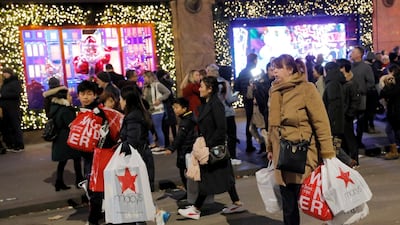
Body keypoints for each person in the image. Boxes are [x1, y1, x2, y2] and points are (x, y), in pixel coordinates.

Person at [267, 54, 336, 225]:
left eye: (278, 67)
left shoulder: (307, 88)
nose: (273, 70)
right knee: (288, 206)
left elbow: (321, 122)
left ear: (290, 70)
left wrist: (328, 153)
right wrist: (269, 148)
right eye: (272, 67)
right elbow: (272, 125)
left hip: (302, 155)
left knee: (315, 200)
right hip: (281, 156)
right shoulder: (274, 90)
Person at [178, 76, 245, 220]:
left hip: (213, 149)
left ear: (210, 89)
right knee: (224, 176)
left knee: (207, 178)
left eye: (202, 86)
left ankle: (196, 208)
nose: (199, 89)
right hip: (212, 148)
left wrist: (208, 145)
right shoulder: (207, 103)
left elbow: (221, 128)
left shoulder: (216, 104)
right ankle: (236, 202)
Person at [74, 80, 118, 225]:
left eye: (89, 94)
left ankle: (94, 220)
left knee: (96, 189)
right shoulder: (81, 112)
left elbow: (105, 134)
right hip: (87, 156)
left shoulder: (99, 112)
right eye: (82, 94)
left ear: (94, 95)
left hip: (99, 156)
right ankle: (100, 216)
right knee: (94, 189)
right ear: (78, 95)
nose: (85, 97)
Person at [43, 84, 83, 191]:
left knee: (63, 162)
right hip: (67, 139)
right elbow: (71, 124)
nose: (71, 97)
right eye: (69, 95)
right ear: (64, 97)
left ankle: (59, 182)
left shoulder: (55, 108)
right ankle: (79, 180)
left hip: (60, 139)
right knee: (76, 159)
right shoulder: (65, 110)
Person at [119, 85, 156, 192]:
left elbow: (132, 141)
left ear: (126, 101)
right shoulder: (138, 113)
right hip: (142, 156)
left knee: (140, 195)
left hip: (138, 159)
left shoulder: (133, 117)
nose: (119, 102)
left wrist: (117, 148)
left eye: (121, 99)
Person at [206, 64, 241, 165]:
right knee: (231, 135)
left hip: (214, 114)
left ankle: (218, 156)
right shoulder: (224, 83)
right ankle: (232, 156)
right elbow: (229, 99)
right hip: (227, 113)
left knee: (219, 136)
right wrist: (237, 95)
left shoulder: (207, 84)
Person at [164, 97, 197, 190]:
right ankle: (189, 192)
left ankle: (190, 193)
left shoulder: (185, 122)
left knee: (185, 173)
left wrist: (171, 149)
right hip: (188, 148)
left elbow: (180, 137)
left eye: (177, 108)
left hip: (186, 149)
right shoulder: (189, 118)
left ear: (184, 108)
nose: (175, 110)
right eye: (174, 108)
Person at [350, 46, 375, 148]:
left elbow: (371, 82)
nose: (351, 53)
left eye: (353, 52)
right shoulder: (349, 66)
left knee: (360, 121)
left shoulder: (366, 67)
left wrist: (362, 90)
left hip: (361, 98)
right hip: (350, 97)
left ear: (359, 54)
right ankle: (351, 140)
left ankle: (359, 140)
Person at [235, 53, 258, 152]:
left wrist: (243, 93)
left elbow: (236, 86)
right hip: (255, 99)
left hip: (246, 99)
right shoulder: (255, 71)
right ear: (255, 60)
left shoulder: (242, 72)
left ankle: (249, 143)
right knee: (259, 120)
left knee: (249, 120)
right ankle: (262, 144)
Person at [143, 71, 171, 150]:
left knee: (157, 128)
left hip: (157, 110)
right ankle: (152, 143)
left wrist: (160, 99)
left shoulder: (157, 85)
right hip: (148, 110)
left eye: (145, 77)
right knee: (147, 127)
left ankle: (162, 145)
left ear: (149, 77)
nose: (144, 79)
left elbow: (167, 92)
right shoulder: (145, 87)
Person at [0, 68, 24, 152]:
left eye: (6, 73)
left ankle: (19, 145)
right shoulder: (5, 83)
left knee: (15, 126)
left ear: (10, 73)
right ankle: (11, 144)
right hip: (5, 108)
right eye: (4, 73)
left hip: (13, 107)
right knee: (7, 127)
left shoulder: (15, 82)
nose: (4, 75)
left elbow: (16, 94)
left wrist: (3, 95)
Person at [380, 63, 400, 160]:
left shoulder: (394, 82)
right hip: (395, 110)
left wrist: (385, 86)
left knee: (389, 129)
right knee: (396, 130)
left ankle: (394, 151)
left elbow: (386, 94)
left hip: (394, 110)